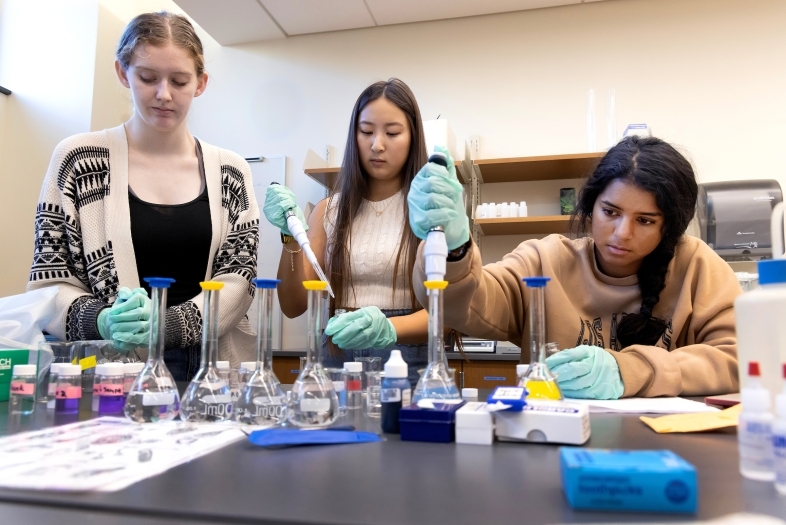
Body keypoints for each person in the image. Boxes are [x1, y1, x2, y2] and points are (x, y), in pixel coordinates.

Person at [407, 136, 741, 399]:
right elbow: (466, 303)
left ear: (668, 226)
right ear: (590, 205)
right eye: (610, 212)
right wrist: (454, 249)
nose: (622, 233)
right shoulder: (544, 260)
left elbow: (740, 359)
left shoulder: (697, 266)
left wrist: (632, 370)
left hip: (670, 451)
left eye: (644, 220)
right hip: (556, 448)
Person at [27, 12, 258, 380]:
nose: (164, 94)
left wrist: (168, 325)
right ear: (123, 73)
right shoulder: (77, 159)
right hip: (107, 370)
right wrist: (102, 320)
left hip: (210, 369)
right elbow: (50, 282)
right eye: (147, 78)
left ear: (201, 83)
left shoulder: (232, 172)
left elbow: (240, 278)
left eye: (180, 81)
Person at [264, 78, 430, 386]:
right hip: (337, 360)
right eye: (366, 131)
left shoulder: (430, 211)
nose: (377, 144)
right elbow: (293, 305)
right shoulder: (329, 210)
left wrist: (391, 328)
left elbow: (449, 315)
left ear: (413, 137)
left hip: (406, 362)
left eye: (392, 132)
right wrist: (289, 236)